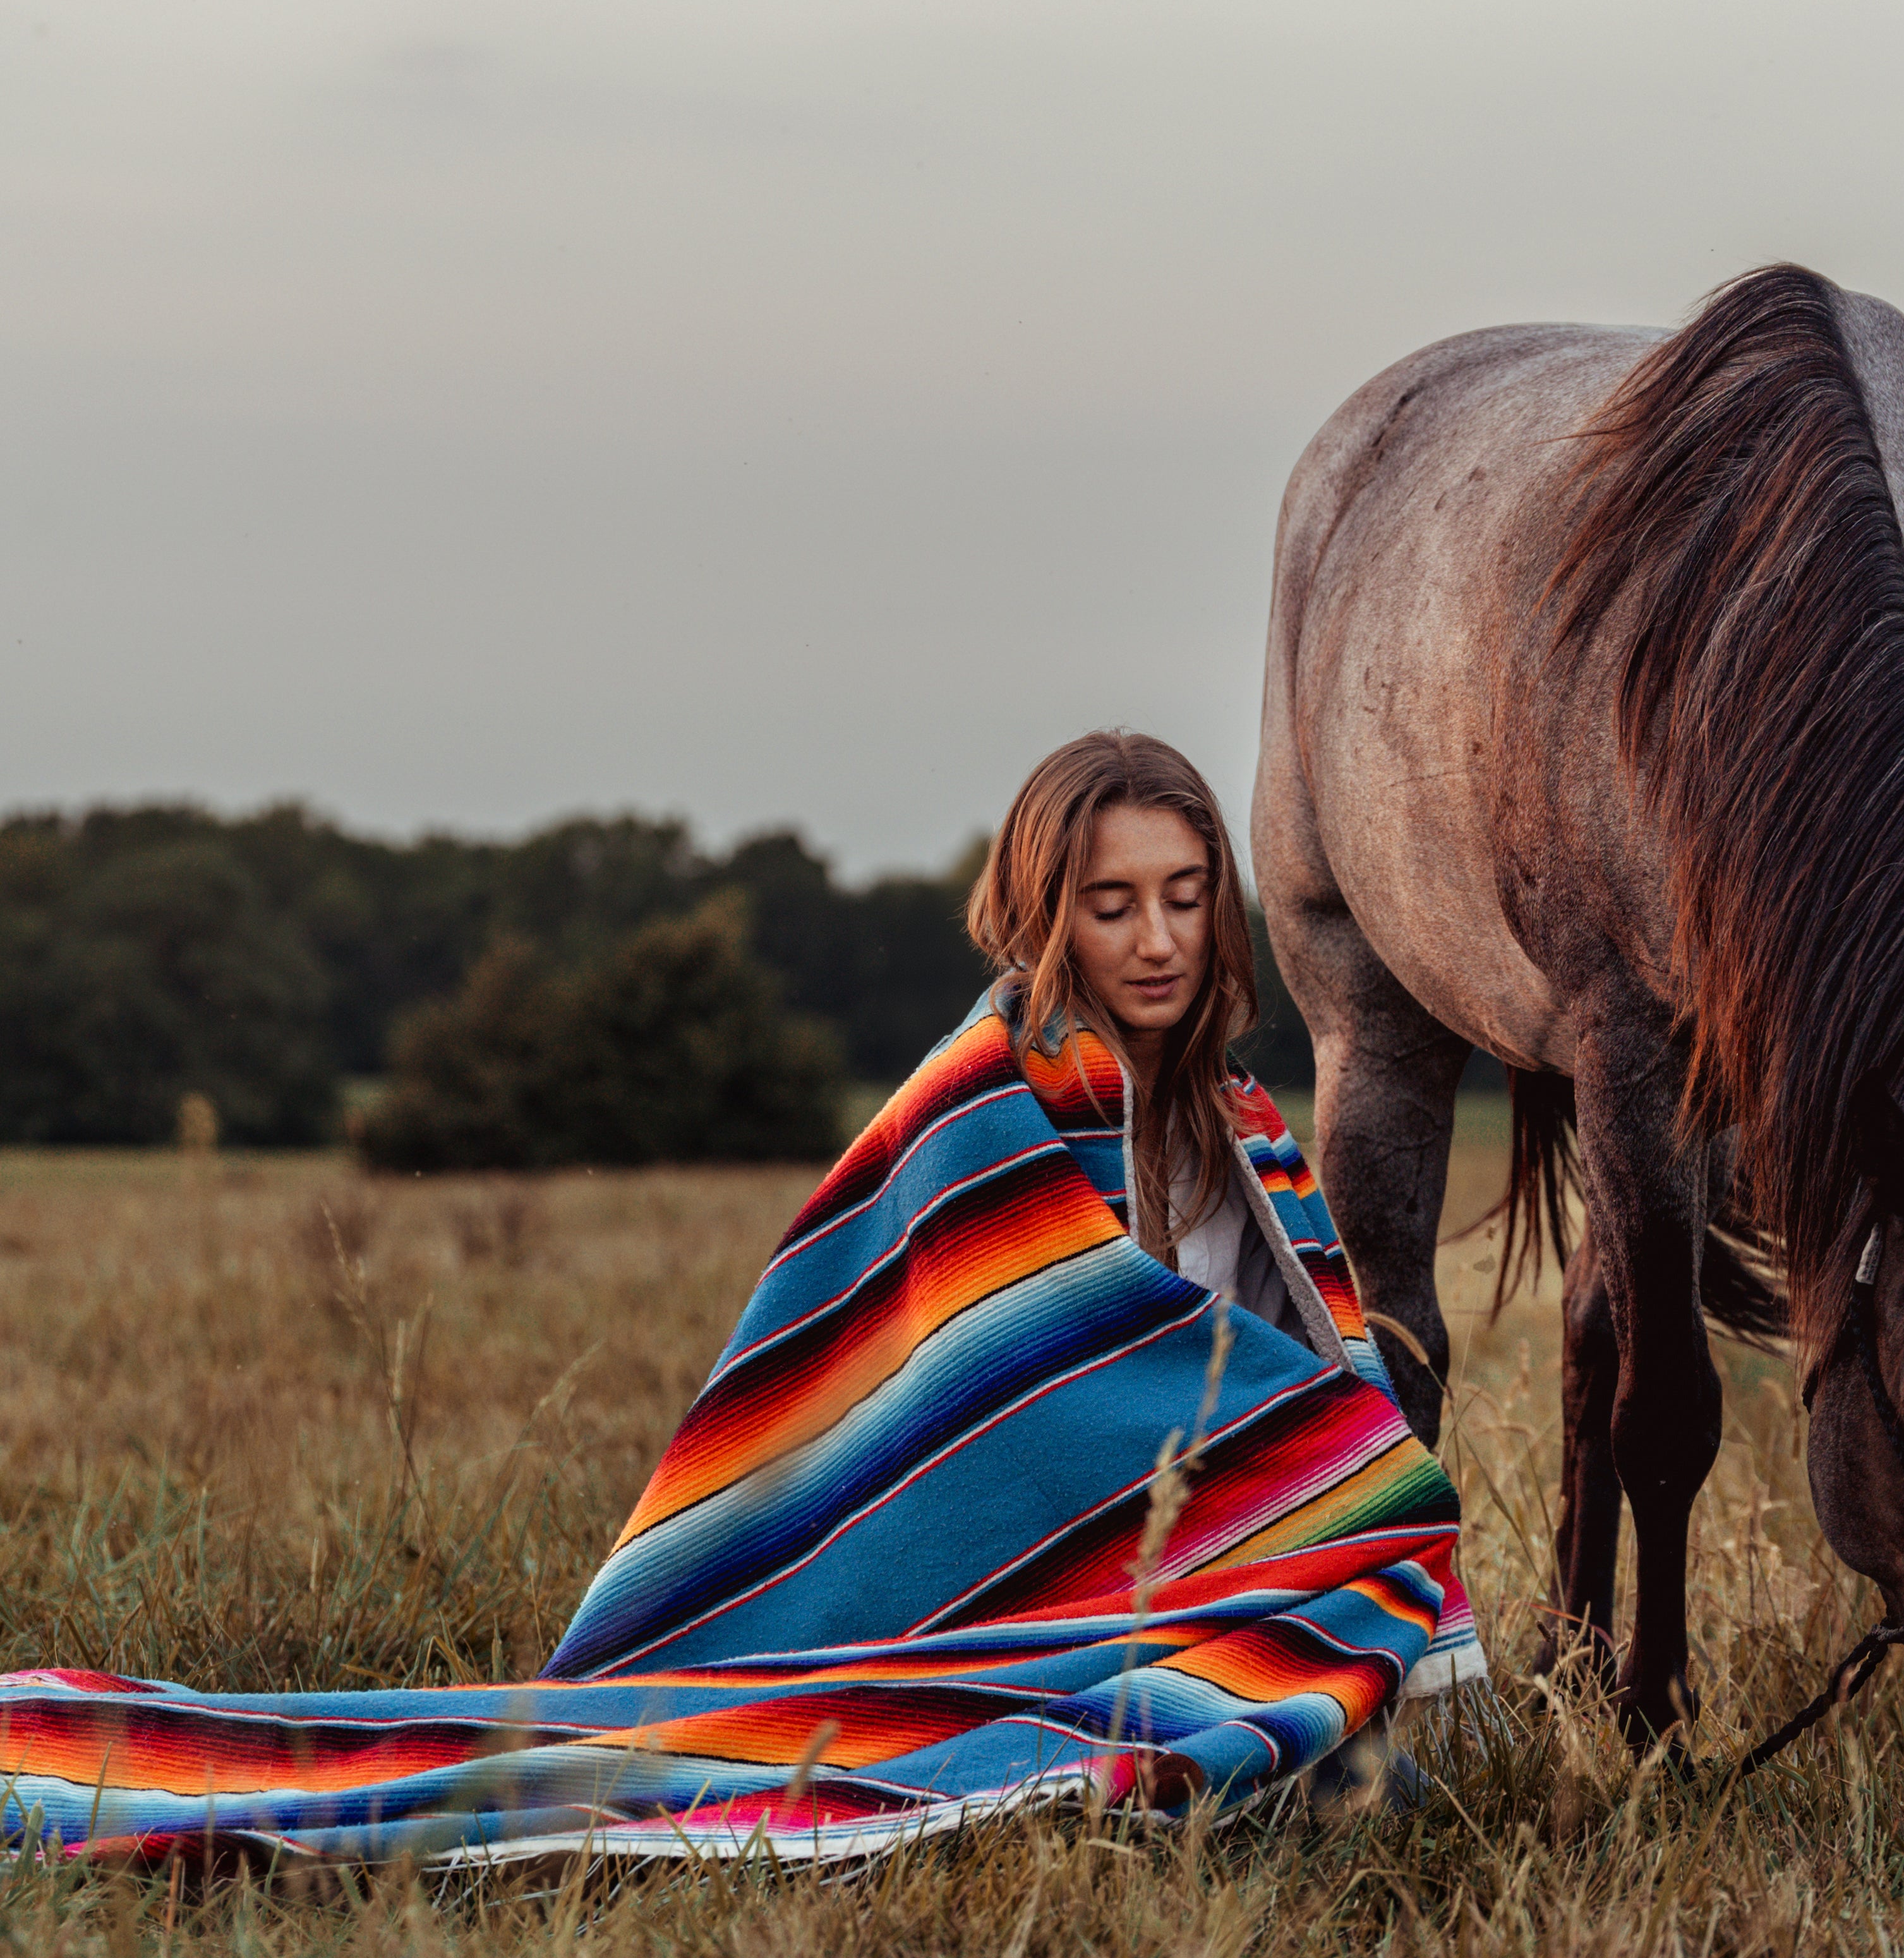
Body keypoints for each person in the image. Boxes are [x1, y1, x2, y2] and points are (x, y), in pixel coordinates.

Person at [0, 734, 1482, 1871]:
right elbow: (1012, 1413)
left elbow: (1306, 1398)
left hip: (1190, 1601)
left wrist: (1338, 1512)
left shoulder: (1241, 1123)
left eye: (1181, 896)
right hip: (999, 1615)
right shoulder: (990, 1105)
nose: (1155, 940)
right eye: (1111, 906)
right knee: (1313, 1787)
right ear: (1046, 917)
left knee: (1363, 1776)